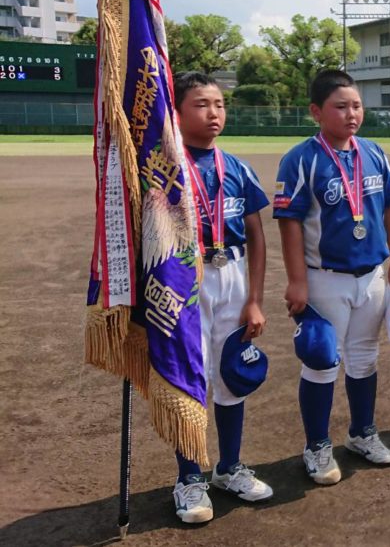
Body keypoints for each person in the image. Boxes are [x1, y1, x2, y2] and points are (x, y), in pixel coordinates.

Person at [274, 69, 390, 484]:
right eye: (340, 106)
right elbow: (289, 222)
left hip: (372, 275)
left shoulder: (374, 152)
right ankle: (317, 445)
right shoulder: (301, 159)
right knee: (322, 362)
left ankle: (362, 432)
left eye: (356, 106)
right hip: (324, 277)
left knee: (365, 357)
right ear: (316, 111)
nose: (352, 114)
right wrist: (297, 281)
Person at [170, 72, 273, 523]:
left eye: (219, 104)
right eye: (200, 104)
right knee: (190, 380)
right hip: (184, 279)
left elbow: (256, 235)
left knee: (230, 373)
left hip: (229, 272)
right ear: (176, 111)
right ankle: (190, 478)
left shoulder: (238, 168)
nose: (214, 113)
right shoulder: (165, 167)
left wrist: (255, 299)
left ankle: (229, 467)